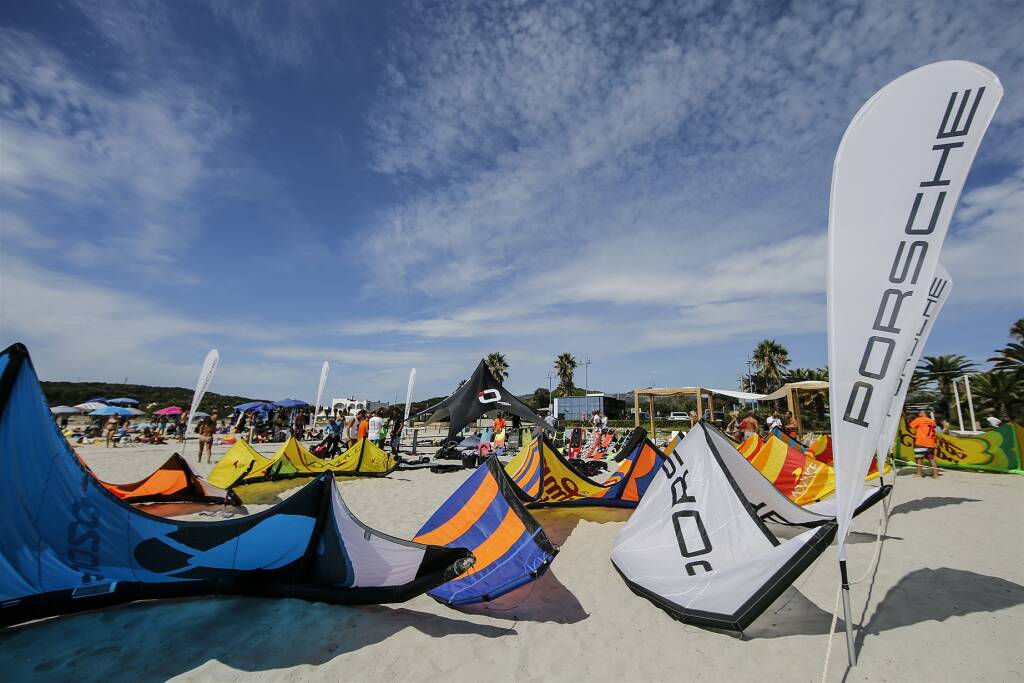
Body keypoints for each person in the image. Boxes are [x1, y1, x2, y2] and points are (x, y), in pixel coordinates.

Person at [909, 409, 938, 478]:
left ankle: (919, 474)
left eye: (919, 413)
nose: (918, 414)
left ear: (922, 413)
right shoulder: (932, 421)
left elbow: (909, 426)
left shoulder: (919, 419)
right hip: (931, 443)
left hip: (921, 442)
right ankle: (935, 475)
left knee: (919, 459)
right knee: (931, 459)